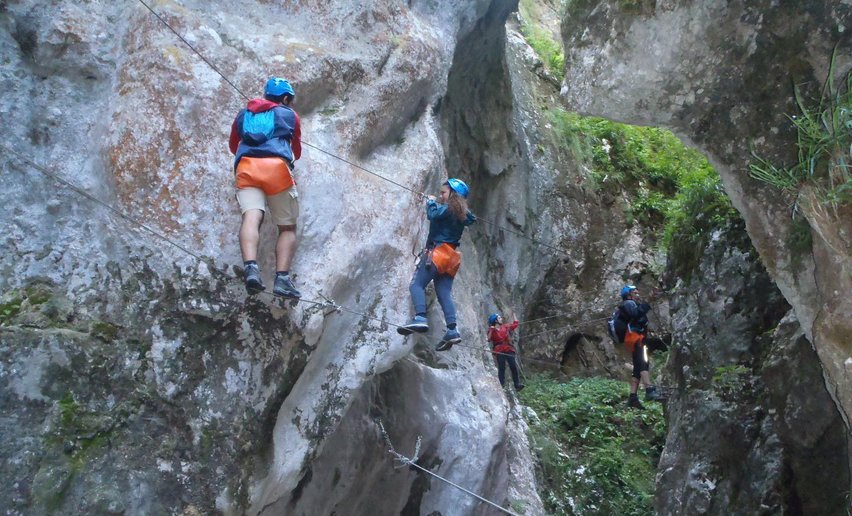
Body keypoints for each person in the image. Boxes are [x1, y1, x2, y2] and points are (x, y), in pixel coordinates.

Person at [228, 77, 302, 298]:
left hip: (247, 167)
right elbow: (296, 150)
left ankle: (251, 268)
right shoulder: (289, 115)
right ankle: (282, 279)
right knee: (287, 228)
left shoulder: (244, 115)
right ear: (286, 98)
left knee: (251, 218)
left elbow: (234, 145)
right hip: (276, 169)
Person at [397, 179, 476, 351]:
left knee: (416, 285)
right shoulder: (463, 214)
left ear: (453, 195)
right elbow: (471, 218)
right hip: (452, 258)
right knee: (444, 293)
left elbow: (433, 214)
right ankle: (452, 330)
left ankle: (420, 318)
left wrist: (431, 201)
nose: (441, 195)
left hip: (438, 253)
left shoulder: (446, 209)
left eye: (444, 192)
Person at [612, 285, 663, 409]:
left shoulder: (630, 304)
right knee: (643, 362)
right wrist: (648, 301)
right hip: (636, 338)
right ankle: (649, 390)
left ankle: (633, 397)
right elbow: (636, 313)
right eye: (635, 293)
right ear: (629, 295)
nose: (637, 294)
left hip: (634, 339)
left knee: (637, 367)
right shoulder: (629, 303)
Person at [487, 313, 524, 391]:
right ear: (495, 320)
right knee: (501, 367)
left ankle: (517, 384)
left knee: (513, 366)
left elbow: (515, 324)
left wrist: (513, 314)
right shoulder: (492, 330)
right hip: (499, 350)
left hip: (508, 348)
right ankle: (501, 384)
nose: (501, 319)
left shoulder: (505, 326)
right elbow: (489, 339)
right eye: (499, 318)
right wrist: (491, 329)